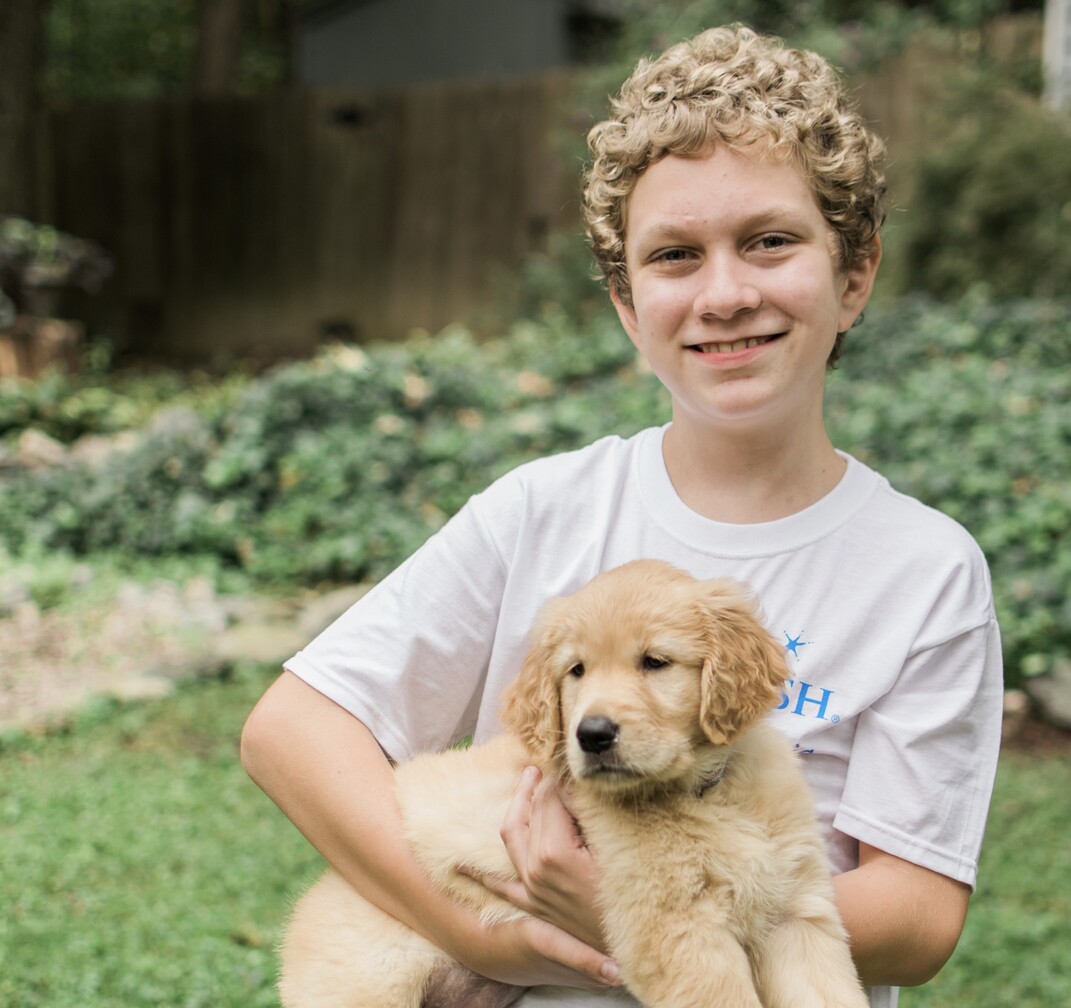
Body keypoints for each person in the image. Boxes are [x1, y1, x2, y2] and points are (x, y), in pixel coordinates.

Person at [241, 24, 1003, 1008]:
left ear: (853, 273)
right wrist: (479, 936)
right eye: (675, 256)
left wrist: (646, 909)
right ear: (625, 303)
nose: (725, 293)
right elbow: (292, 731)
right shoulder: (544, 512)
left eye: (769, 241)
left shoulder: (923, 568)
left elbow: (921, 915)